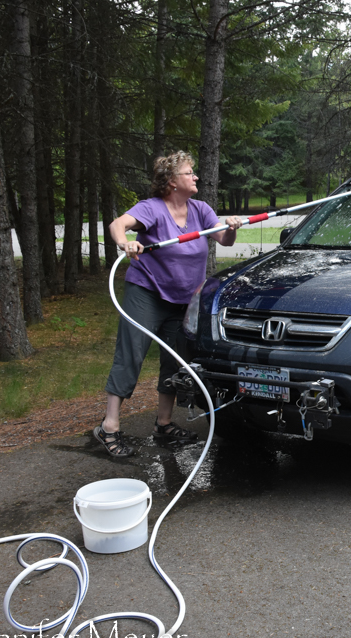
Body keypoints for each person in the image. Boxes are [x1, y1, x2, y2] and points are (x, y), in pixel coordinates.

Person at [95, 151, 243, 457]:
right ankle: (109, 426)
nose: (195, 177)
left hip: (183, 299)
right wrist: (126, 242)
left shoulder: (200, 210)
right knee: (131, 353)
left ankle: (163, 424)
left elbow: (225, 241)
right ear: (172, 182)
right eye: (189, 172)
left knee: (174, 361)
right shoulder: (152, 209)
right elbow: (117, 224)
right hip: (146, 292)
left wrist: (230, 227)